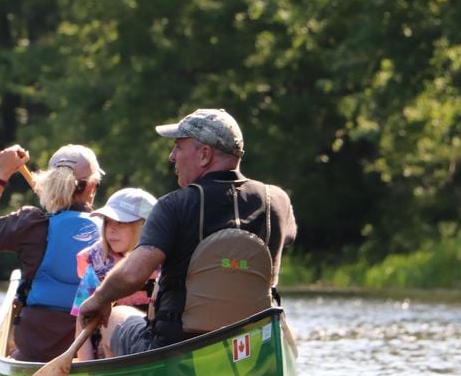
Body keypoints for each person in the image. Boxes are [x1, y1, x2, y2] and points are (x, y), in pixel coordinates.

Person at [77, 109, 296, 357]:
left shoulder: (173, 206)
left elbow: (132, 274)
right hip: (254, 343)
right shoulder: (277, 202)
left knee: (116, 316)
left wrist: (99, 299)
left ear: (204, 154)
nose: (172, 156)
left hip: (176, 345)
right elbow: (288, 237)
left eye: (178, 147)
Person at [0, 143, 103, 361]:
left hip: (37, 346)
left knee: (16, 355)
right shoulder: (113, 229)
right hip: (94, 345)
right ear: (92, 186)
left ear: (50, 182)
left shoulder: (31, 224)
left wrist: (1, 174)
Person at [70, 187, 159, 359]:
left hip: (154, 347)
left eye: (120, 223)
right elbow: (82, 323)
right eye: (108, 222)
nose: (111, 229)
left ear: (146, 226)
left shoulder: (165, 266)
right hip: (109, 352)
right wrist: (88, 367)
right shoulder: (97, 268)